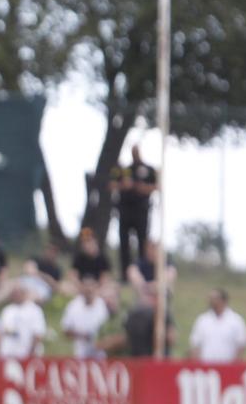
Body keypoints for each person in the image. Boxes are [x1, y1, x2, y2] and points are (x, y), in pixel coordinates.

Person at [111, 144, 158, 277]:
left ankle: (143, 273)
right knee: (124, 243)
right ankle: (125, 274)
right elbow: (112, 184)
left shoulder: (149, 169)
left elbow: (156, 186)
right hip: (125, 211)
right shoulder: (125, 170)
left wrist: (143, 188)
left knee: (142, 242)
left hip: (142, 212)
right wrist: (124, 185)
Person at [124, 240, 176, 358]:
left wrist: (153, 288)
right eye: (150, 248)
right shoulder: (140, 263)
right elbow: (133, 275)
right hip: (142, 310)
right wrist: (146, 288)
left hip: (161, 309)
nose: (152, 252)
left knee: (164, 338)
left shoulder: (166, 264)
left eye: (155, 249)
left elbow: (168, 278)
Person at [187, 290, 246, 362]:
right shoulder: (202, 320)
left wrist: (235, 364)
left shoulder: (236, 320)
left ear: (224, 300)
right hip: (207, 367)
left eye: (215, 298)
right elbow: (196, 344)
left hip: (228, 366)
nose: (211, 301)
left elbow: (241, 345)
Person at [0, 282, 48, 360]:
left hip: (27, 354)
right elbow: (0, 331)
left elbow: (38, 333)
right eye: (14, 293)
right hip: (7, 354)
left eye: (18, 293)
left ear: (24, 293)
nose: (16, 295)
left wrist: (31, 352)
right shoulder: (8, 310)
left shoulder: (35, 310)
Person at [60, 280, 112, 358]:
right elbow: (66, 330)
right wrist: (82, 335)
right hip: (80, 353)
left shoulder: (102, 305)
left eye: (91, 289)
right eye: (86, 290)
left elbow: (109, 329)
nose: (89, 292)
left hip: (100, 354)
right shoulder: (73, 305)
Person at [69, 225, 112, 294]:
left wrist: (93, 289)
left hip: (98, 289)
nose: (86, 244)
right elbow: (73, 275)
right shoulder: (79, 257)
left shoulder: (102, 258)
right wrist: (82, 287)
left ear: (95, 241)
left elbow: (105, 278)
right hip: (81, 288)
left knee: (109, 291)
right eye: (84, 242)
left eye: (89, 241)